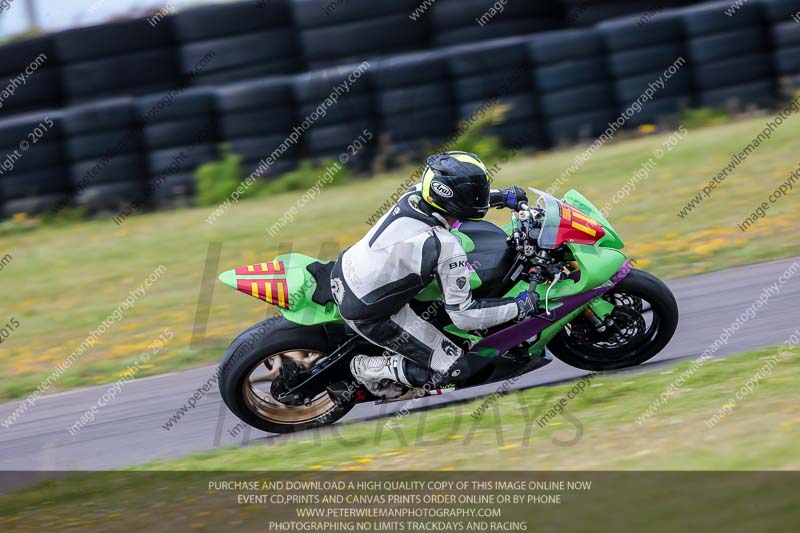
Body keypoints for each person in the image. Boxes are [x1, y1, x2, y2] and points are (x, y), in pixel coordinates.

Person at [330, 151, 540, 399]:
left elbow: (458, 198)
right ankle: (368, 368)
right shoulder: (443, 244)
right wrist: (520, 306)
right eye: (478, 190)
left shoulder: (417, 192)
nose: (481, 194)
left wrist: (502, 197)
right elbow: (464, 316)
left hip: (349, 269)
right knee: (456, 370)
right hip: (370, 311)